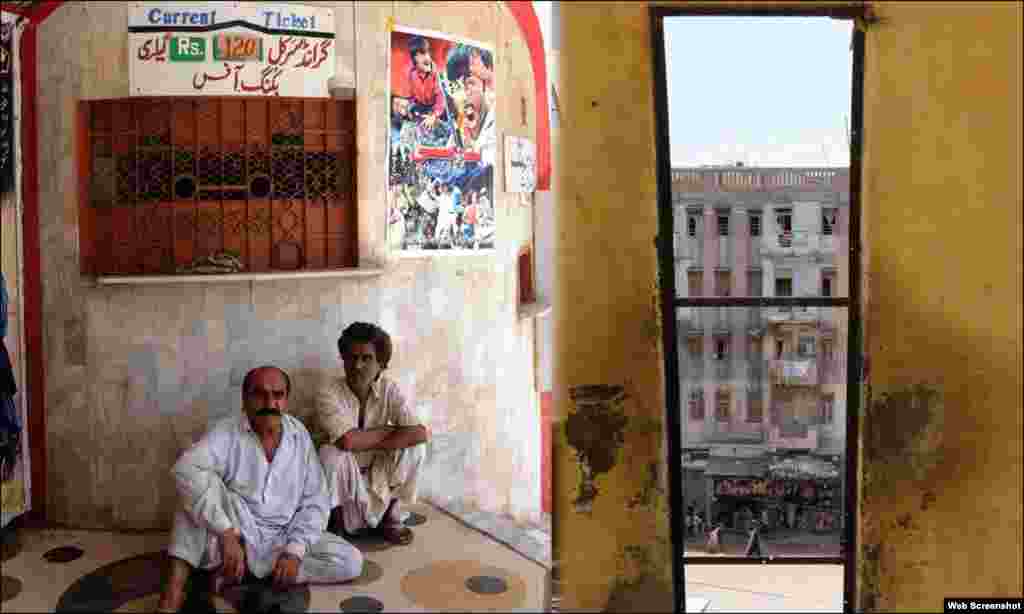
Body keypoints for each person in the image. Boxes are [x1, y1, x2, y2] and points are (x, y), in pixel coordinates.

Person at [157, 366, 363, 613]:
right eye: (259, 394)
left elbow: (315, 501)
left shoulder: (299, 435)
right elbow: (185, 469)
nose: (270, 402)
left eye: (278, 395)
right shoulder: (227, 431)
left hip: (282, 535)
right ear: (244, 399)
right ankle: (173, 594)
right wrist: (226, 533)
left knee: (351, 562)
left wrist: (294, 552)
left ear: (286, 400)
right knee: (193, 490)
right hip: (238, 531)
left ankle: (249, 574)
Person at [316, 323, 429, 546]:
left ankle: (391, 518)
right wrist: (389, 432)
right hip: (343, 484)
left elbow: (419, 433)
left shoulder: (390, 390)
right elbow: (347, 440)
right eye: (351, 357)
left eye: (366, 358)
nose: (357, 365)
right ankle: (336, 526)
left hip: (378, 477)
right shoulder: (328, 391)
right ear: (343, 358)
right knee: (331, 453)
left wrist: (365, 438)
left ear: (381, 364)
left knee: (416, 448)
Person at [405, 36, 447, 133]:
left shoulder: (437, 73)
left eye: (427, 52)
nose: (427, 57)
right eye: (422, 54)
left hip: (437, 108)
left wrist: (434, 115)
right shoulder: (412, 73)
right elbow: (412, 96)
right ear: (414, 59)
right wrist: (410, 105)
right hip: (421, 107)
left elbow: (441, 98)